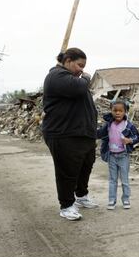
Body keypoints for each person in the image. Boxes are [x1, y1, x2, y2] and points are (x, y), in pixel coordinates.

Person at [42, 47, 98, 221]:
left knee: (85, 166)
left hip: (82, 134)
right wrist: (87, 78)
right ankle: (66, 205)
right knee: (67, 171)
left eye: (84, 66)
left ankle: (81, 196)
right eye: (79, 65)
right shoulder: (56, 76)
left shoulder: (71, 78)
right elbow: (81, 87)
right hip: (63, 134)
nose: (82, 69)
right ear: (67, 61)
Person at [97, 99, 139, 210]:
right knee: (112, 180)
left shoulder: (128, 125)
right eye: (115, 110)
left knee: (124, 180)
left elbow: (137, 137)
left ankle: (126, 199)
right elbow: (99, 134)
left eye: (120, 111)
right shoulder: (108, 125)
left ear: (125, 111)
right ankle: (112, 200)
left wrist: (129, 140)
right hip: (112, 156)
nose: (117, 113)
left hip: (123, 156)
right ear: (111, 111)